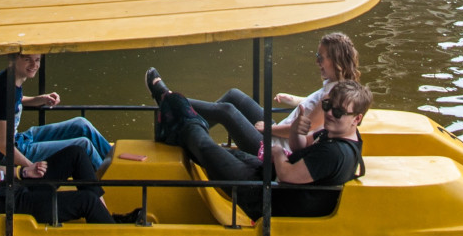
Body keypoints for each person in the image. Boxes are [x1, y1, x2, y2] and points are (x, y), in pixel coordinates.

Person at [150, 78, 369, 220]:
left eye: (339, 112)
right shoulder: (335, 133)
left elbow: (288, 175)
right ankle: (173, 119)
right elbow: (299, 146)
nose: (330, 114)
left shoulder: (335, 153)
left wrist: (276, 152)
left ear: (356, 119)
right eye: (328, 107)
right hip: (265, 176)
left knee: (201, 143)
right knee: (215, 153)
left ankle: (171, 103)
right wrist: (297, 131)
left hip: (265, 198)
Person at [0, 82, 132, 224]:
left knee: (76, 153)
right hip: (1, 203)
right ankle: (112, 234)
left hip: (11, 187)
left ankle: (105, 216)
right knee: (87, 202)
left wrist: (23, 172)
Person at [149, 33, 360, 155]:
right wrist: (294, 100)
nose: (317, 62)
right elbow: (313, 109)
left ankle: (168, 98)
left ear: (336, 60)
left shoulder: (334, 97)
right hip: (279, 133)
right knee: (234, 96)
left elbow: (305, 129)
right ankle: (183, 120)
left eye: (321, 57)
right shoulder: (337, 85)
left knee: (227, 110)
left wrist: (270, 128)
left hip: (274, 148)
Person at [0, 52, 113, 171]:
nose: (34, 65)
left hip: (19, 139)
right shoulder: (5, 90)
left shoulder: (12, 77)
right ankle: (110, 182)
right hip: (7, 152)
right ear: (13, 59)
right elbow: (4, 146)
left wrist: (39, 99)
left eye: (37, 60)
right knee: (83, 145)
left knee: (81, 124)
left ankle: (115, 162)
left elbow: (14, 101)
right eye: (27, 59)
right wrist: (31, 167)